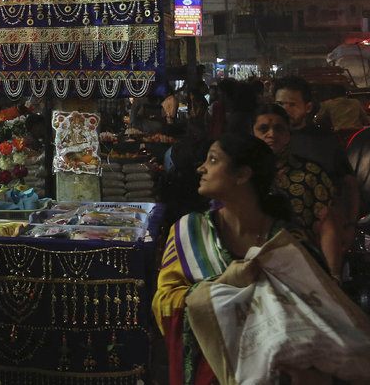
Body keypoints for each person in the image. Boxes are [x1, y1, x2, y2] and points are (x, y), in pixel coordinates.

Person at [153, 133, 308, 385]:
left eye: (213, 160)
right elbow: (164, 304)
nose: (201, 168)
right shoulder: (189, 231)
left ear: (242, 175)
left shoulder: (288, 241)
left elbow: (314, 317)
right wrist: (223, 284)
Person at [274, 76, 357, 276]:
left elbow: (350, 185)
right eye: (280, 104)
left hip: (322, 226)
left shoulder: (325, 143)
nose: (285, 109)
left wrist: (350, 225)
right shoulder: (267, 140)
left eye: (292, 104)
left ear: (308, 107)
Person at [251, 104, 335, 248]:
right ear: (252, 133)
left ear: (288, 133)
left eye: (279, 129)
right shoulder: (242, 175)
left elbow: (327, 226)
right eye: (263, 129)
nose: (271, 134)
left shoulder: (311, 173)